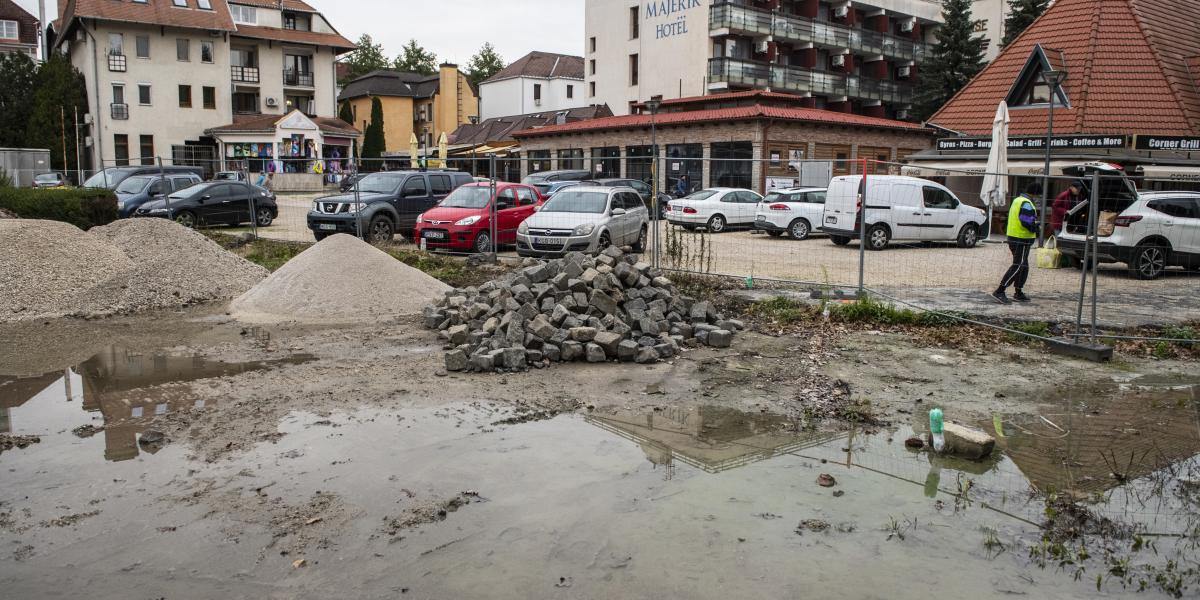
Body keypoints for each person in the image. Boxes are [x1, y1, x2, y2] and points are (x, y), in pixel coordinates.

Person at [992, 182, 1041, 304]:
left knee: (1024, 266)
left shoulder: (1018, 200)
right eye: (1039, 194)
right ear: (1035, 193)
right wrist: (1036, 227)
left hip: (1015, 236)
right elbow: (1026, 221)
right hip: (1021, 238)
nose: (1039, 197)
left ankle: (1018, 292)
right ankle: (1000, 290)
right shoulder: (1027, 203)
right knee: (1019, 265)